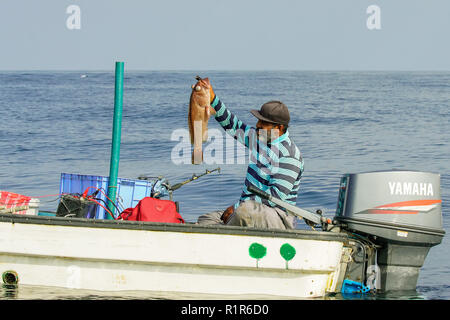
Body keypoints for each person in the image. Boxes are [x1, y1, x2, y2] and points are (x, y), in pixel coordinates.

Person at [196, 79, 304, 230]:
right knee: (205, 220)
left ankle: (228, 233)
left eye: (263, 122)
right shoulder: (260, 139)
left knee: (244, 212)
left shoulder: (289, 155)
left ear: (279, 128)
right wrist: (212, 98)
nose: (258, 125)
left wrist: (236, 207)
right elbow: (232, 125)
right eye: (259, 120)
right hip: (247, 210)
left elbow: (274, 197)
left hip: (278, 217)